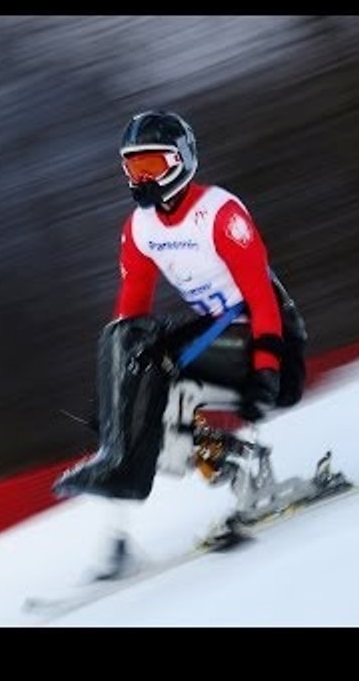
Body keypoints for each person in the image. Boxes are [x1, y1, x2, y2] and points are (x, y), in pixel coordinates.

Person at [54, 110, 308, 503]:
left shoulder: (220, 214)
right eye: (133, 168)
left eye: (151, 165)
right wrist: (116, 388)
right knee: (129, 347)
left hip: (270, 343)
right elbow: (129, 317)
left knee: (155, 358)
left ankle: (127, 469)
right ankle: (192, 458)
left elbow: (262, 299)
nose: (141, 179)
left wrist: (267, 372)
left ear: (181, 160)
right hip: (217, 338)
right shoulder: (141, 228)